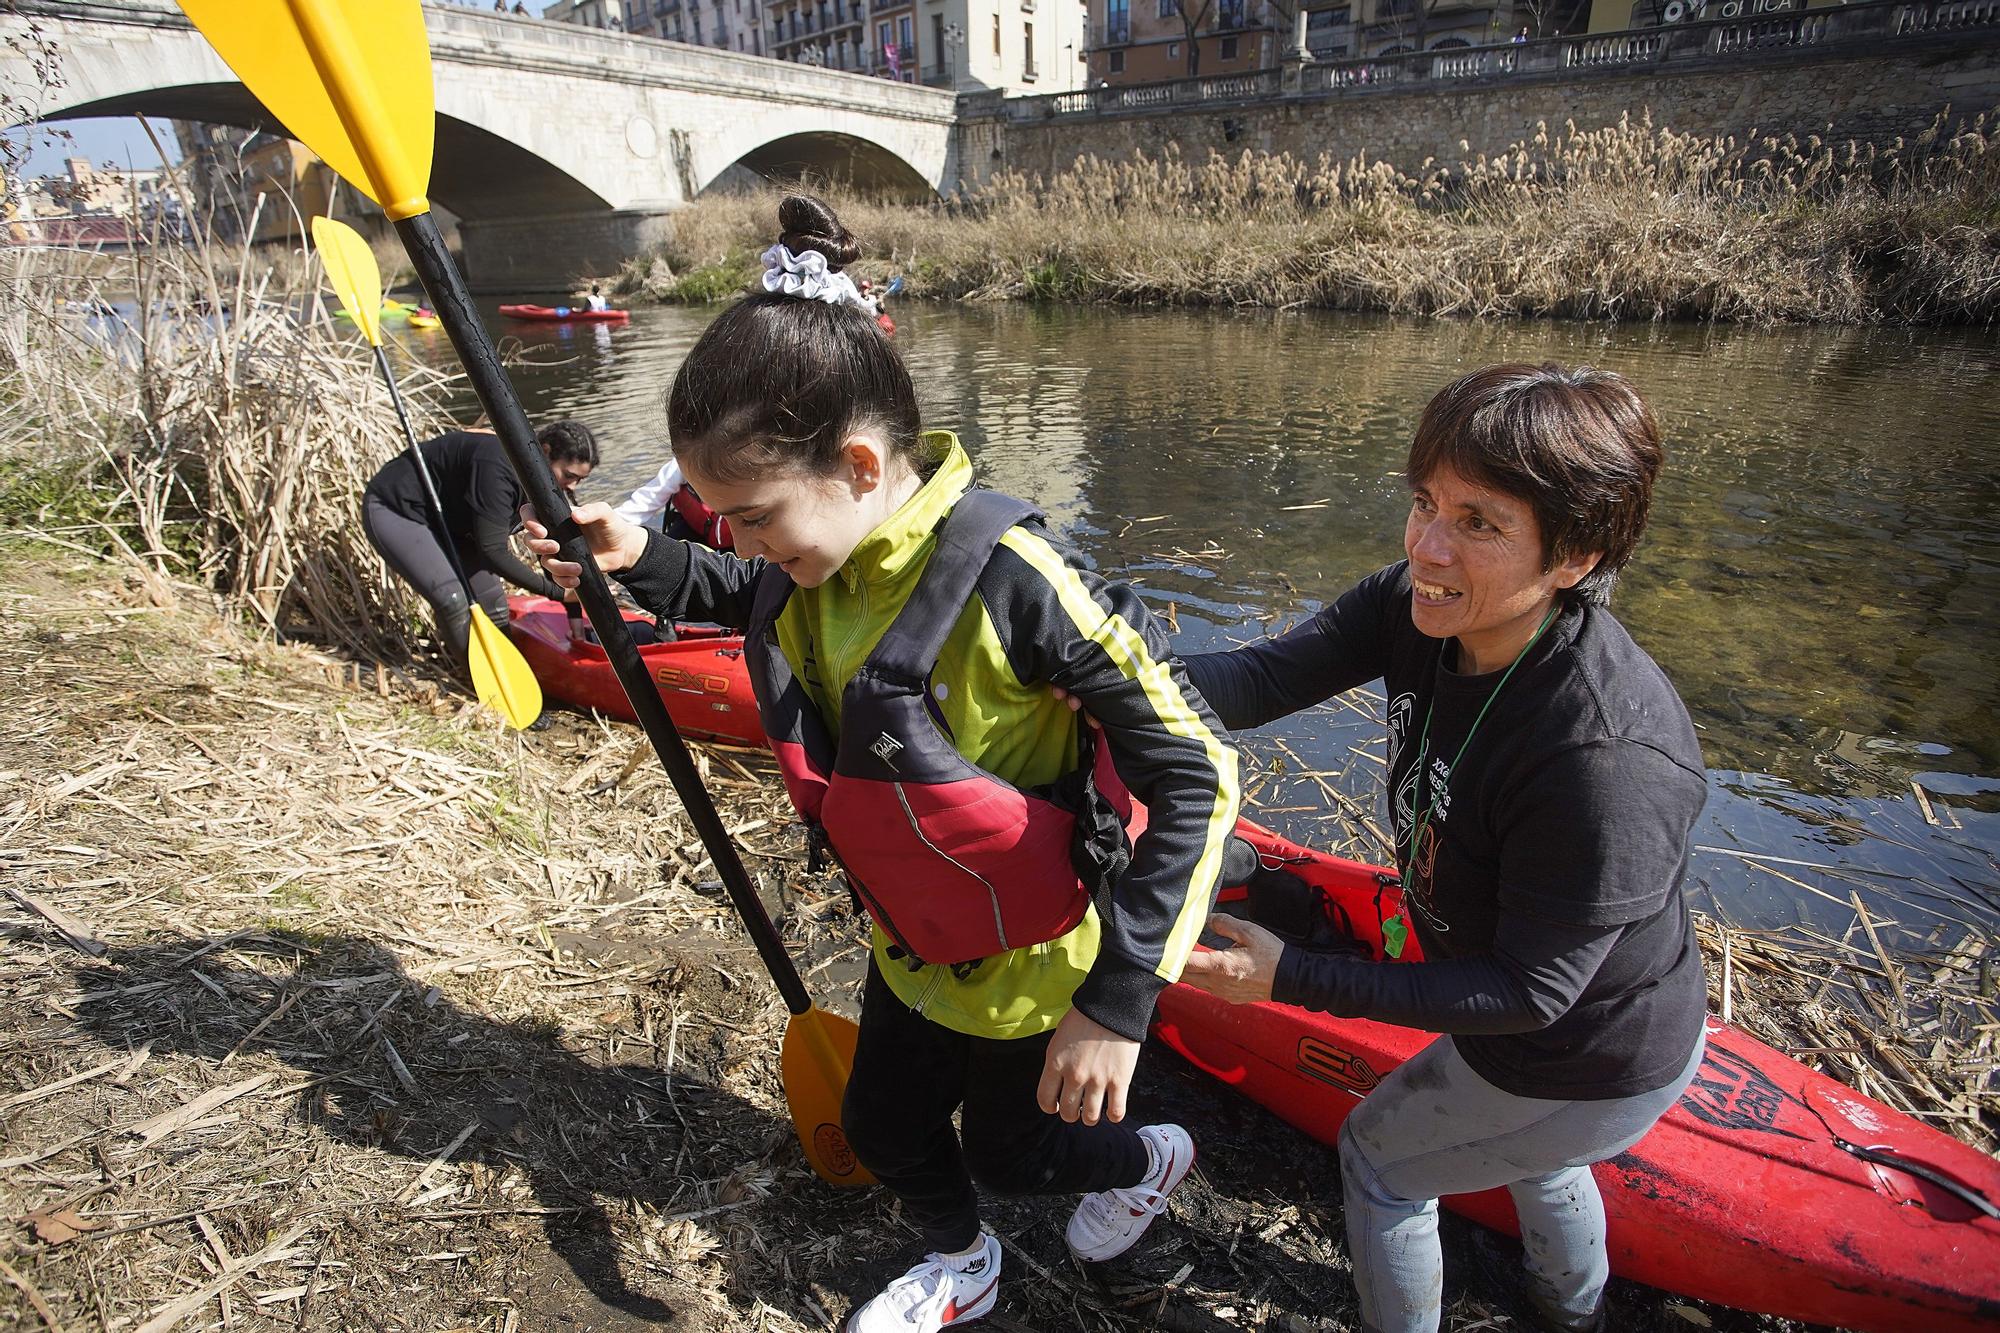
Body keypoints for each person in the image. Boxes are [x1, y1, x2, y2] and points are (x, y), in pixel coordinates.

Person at [522, 194, 1240, 1333]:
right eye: (723, 518)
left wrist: (1118, 1002)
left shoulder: (1015, 578)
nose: (743, 542)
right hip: (907, 933)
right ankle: (966, 1261)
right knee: (884, 1130)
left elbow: (1197, 767)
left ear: (858, 463)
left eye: (751, 515)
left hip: (1029, 962)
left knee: (1012, 1150)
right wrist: (642, 557)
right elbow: (755, 589)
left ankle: (1149, 1156)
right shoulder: (820, 552)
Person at [1175, 364, 1709, 1333]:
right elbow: (1250, 681)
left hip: (1579, 1053)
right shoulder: (1424, 607)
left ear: (1574, 556)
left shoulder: (1603, 758)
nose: (1426, 544)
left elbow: (1527, 992)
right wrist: (1081, 676)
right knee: (1539, 1159)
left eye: (1479, 522)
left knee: (1381, 1162)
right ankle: (1571, 1313)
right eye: (1424, 502)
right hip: (1536, 1015)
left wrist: (1288, 975)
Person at [362, 420, 598, 668]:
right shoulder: (498, 466)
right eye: (569, 475)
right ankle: (479, 682)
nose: (571, 486)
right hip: (398, 510)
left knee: (493, 602)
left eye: (579, 480)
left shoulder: (547, 482)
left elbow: (552, 550)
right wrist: (557, 593)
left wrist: (572, 608)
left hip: (456, 523)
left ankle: (506, 668)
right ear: (545, 451)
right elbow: (491, 551)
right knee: (452, 600)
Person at [613, 457, 733, 550]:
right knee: (661, 559)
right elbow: (650, 497)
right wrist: (613, 524)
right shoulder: (686, 461)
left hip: (735, 537)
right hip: (693, 528)